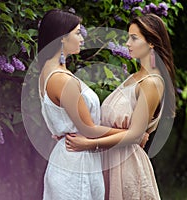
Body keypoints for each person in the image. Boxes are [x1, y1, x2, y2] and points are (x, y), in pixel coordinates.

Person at [37, 9, 149, 200]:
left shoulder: (50, 71)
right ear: (62, 38)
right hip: (75, 166)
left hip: (75, 158)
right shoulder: (61, 79)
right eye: (78, 33)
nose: (82, 38)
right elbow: (89, 129)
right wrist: (133, 135)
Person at [65, 13, 176, 200]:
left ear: (151, 43)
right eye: (128, 38)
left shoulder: (151, 82)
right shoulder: (134, 77)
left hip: (126, 167)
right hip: (110, 161)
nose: (127, 44)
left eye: (134, 38)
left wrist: (90, 144)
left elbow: (135, 135)